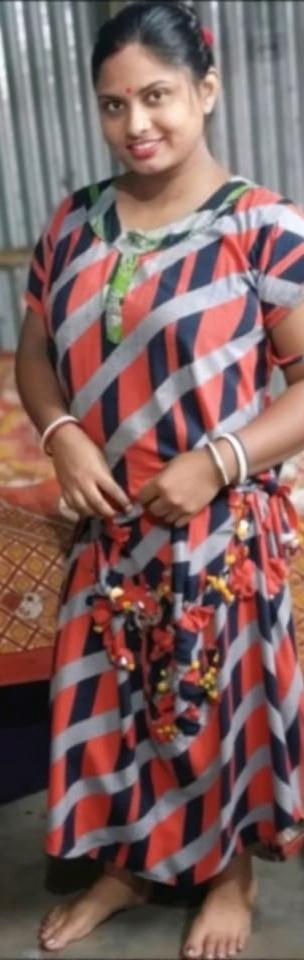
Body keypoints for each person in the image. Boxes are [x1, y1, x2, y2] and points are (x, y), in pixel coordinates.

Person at [16, 1, 304, 957]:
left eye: (157, 97)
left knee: (215, 705)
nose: (135, 124)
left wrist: (215, 462)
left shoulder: (262, 226)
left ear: (206, 92)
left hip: (215, 531)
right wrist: (61, 434)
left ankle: (230, 875)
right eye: (112, 104)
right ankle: (124, 867)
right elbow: (34, 356)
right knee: (115, 705)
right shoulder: (73, 220)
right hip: (110, 525)